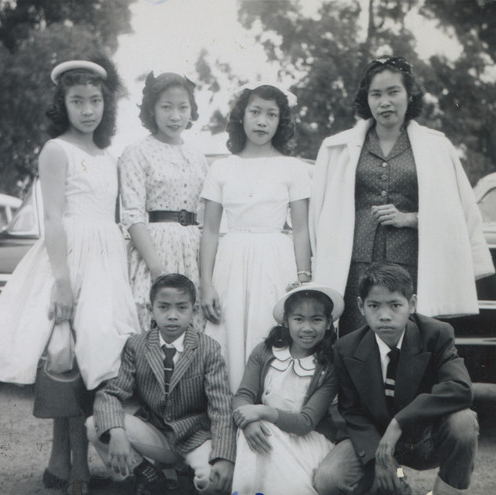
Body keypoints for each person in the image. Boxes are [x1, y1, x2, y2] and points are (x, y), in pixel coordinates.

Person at [0, 57, 140, 494]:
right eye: (77, 101)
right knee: (67, 355)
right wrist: (61, 280)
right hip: (69, 256)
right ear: (63, 104)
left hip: (106, 257)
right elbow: (54, 218)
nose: (87, 110)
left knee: (95, 355)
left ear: (106, 105)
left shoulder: (108, 156)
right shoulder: (56, 149)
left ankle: (71, 457)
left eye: (95, 100)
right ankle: (71, 462)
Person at [310, 55, 494, 336]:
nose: (385, 101)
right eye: (376, 94)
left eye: (393, 92)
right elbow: (319, 212)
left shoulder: (437, 147)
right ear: (367, 99)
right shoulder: (337, 147)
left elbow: (458, 213)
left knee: (411, 342)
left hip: (413, 261)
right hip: (355, 263)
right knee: (356, 339)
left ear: (409, 96)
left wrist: (411, 218)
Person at [314, 262, 478, 495]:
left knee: (463, 421)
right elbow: (352, 411)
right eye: (374, 306)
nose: (384, 316)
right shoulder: (346, 348)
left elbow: (460, 388)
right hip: (377, 441)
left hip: (424, 438)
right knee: (328, 479)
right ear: (361, 306)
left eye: (395, 305)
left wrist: (399, 421)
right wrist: (376, 458)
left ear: (411, 304)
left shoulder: (436, 334)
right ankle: (398, 487)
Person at [200, 82, 312, 391]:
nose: (262, 121)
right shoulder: (222, 168)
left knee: (269, 328)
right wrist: (207, 284)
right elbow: (210, 230)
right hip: (232, 258)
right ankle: (227, 415)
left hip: (275, 257)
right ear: (241, 116)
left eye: (271, 115)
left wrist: (303, 281)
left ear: (281, 121)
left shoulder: (293, 167)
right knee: (229, 332)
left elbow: (301, 228)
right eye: (255, 112)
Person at [86, 274, 236, 495]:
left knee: (215, 482)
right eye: (164, 307)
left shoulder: (208, 348)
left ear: (194, 310)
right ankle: (143, 475)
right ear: (150, 308)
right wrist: (117, 432)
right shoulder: (137, 345)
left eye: (181, 308)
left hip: (195, 436)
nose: (172, 316)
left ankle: (185, 476)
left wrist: (224, 457)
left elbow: (221, 407)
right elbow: (111, 393)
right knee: (96, 425)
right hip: (155, 431)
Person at [231, 282, 344, 495]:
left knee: (291, 486)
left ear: (329, 323)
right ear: (286, 321)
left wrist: (262, 411)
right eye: (298, 319)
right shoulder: (265, 351)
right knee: (256, 438)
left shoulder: (329, 366)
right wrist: (248, 423)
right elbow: (243, 396)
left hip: (306, 439)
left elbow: (305, 423)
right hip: (263, 430)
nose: (307, 328)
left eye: (317, 319)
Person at [119, 72, 208, 332]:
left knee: (192, 328)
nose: (175, 116)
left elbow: (205, 215)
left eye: (183, 107)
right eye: (166, 107)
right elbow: (132, 214)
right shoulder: (137, 152)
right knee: (152, 323)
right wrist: (158, 269)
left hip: (192, 249)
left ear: (191, 111)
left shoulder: (197, 155)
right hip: (154, 249)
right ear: (152, 109)